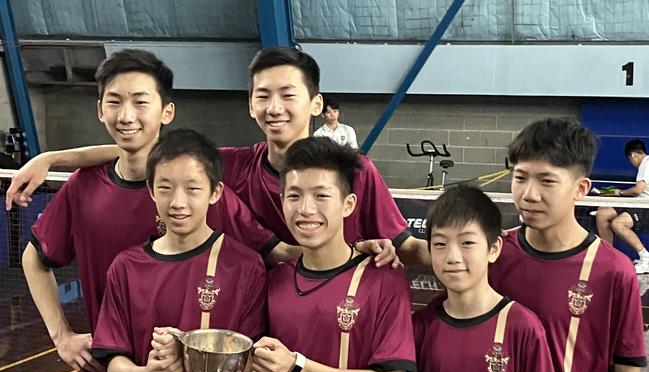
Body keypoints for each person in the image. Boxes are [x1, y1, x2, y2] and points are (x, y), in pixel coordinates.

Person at [20, 49, 273, 372]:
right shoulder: (84, 188)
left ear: (166, 111)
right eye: (114, 101)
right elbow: (33, 259)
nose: (127, 115)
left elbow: (274, 255)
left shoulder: (197, 186)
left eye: (141, 101)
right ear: (99, 109)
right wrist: (61, 336)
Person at [6, 47, 430, 268]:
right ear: (250, 105)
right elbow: (148, 152)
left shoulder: (355, 172)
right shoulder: (232, 165)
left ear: (316, 103)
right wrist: (52, 158)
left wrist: (459, 260)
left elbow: (404, 243)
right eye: (263, 96)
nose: (275, 107)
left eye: (288, 95)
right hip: (246, 332)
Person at [91, 128, 266, 372]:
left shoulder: (245, 266)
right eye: (166, 187)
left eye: (192, 188)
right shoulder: (126, 267)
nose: (178, 202)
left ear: (216, 193)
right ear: (151, 190)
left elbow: (249, 360)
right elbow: (112, 358)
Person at [240, 136, 416, 372]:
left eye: (321, 196)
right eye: (294, 195)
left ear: (349, 204)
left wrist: (297, 366)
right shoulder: (273, 281)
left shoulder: (382, 280)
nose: (305, 209)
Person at [489, 118, 646, 372]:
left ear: (581, 188)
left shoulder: (613, 271)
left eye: (546, 181)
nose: (528, 193)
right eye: (520, 177)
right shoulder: (493, 255)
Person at [387, 185, 564, 372]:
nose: (453, 257)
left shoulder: (521, 327)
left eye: (467, 243)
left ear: (493, 248)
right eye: (440, 245)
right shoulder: (418, 328)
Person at [595, 138, 649, 273]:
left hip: (645, 206)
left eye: (630, 160)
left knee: (618, 224)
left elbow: (638, 189)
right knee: (603, 213)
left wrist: (620, 193)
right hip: (636, 203)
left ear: (633, 155)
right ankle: (609, 258)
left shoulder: (646, 162)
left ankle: (645, 258)